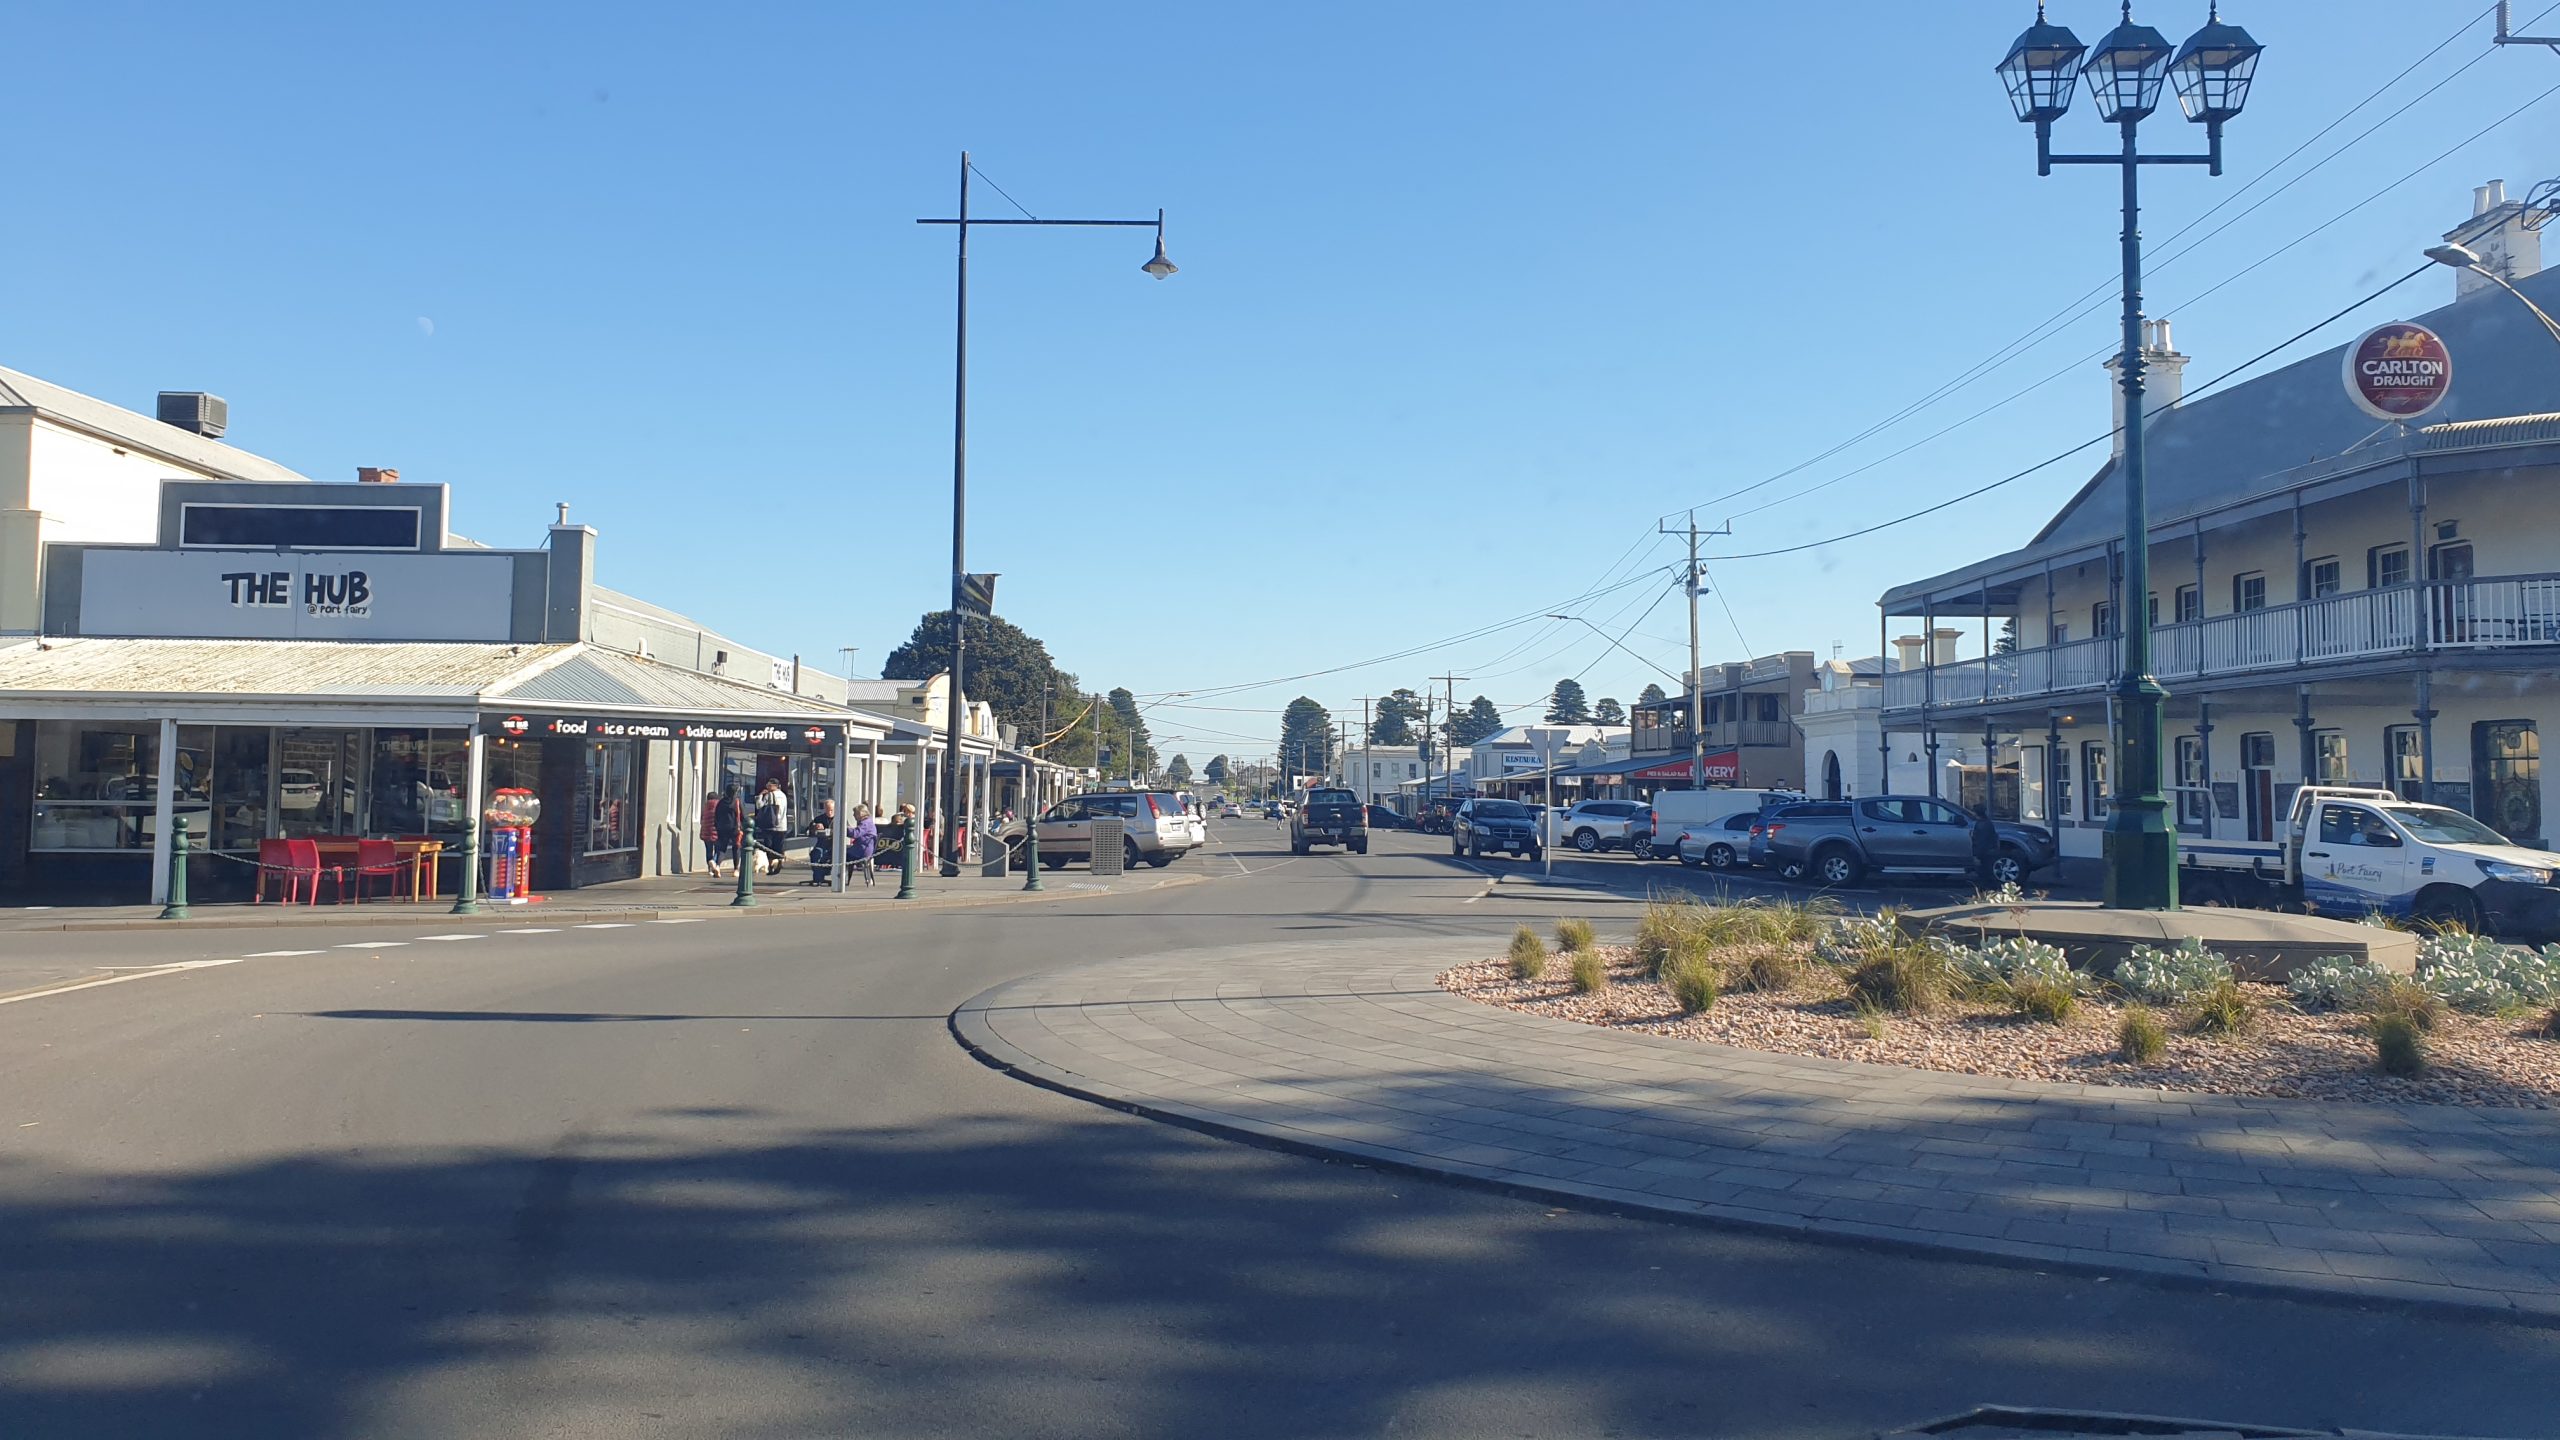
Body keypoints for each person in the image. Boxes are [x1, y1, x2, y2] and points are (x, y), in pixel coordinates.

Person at [753, 778, 791, 876]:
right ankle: (779, 862)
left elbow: (759, 805)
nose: (767, 787)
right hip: (782, 825)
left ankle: (771, 866)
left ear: (774, 786)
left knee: (769, 847)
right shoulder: (783, 795)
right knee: (779, 846)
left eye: (769, 785)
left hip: (770, 825)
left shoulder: (769, 795)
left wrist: (760, 795)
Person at [711, 784, 744, 878]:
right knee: (736, 848)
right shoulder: (736, 802)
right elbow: (742, 816)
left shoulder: (721, 802)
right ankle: (736, 869)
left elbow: (716, 815)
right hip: (734, 828)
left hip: (722, 828)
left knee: (722, 848)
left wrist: (717, 826)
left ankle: (717, 866)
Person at [806, 799, 837, 885]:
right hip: (822, 843)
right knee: (815, 854)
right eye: (827, 810)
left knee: (829, 857)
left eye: (831, 810)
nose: (829, 812)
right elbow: (808, 830)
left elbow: (847, 830)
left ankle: (826, 874)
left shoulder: (839, 819)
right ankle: (818, 878)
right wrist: (815, 826)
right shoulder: (819, 818)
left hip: (834, 844)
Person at [852, 803, 879, 886]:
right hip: (866, 848)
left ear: (860, 813)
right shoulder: (868, 822)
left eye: (855, 813)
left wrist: (844, 829)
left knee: (839, 853)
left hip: (863, 850)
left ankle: (838, 877)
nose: (853, 815)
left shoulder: (865, 823)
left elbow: (856, 834)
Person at [700, 791, 724, 877]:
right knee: (718, 849)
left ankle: (710, 868)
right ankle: (714, 862)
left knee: (708, 850)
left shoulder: (705, 806)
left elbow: (701, 819)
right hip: (716, 831)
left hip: (706, 831)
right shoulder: (719, 805)